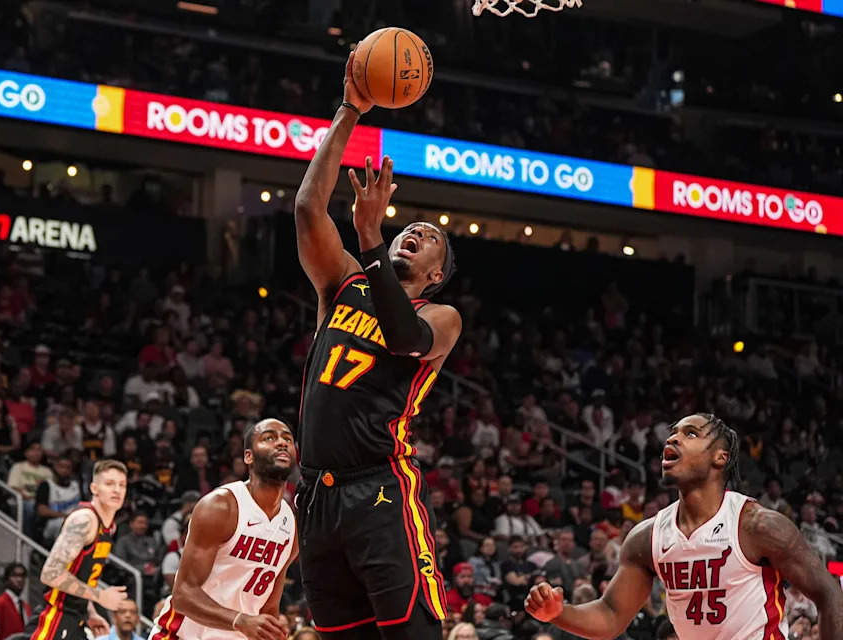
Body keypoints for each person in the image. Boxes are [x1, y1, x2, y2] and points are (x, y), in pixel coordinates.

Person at [292, 51, 462, 640]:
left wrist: (371, 240)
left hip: (381, 488)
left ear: (435, 274)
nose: (415, 231)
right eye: (410, 227)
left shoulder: (439, 316)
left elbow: (404, 339)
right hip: (315, 494)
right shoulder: (342, 281)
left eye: (430, 237)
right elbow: (308, 208)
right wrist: (350, 109)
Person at [524, 413, 843, 639]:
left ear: (720, 457)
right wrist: (558, 613)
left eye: (691, 434)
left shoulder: (757, 525)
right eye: (673, 432)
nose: (673, 437)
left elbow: (829, 594)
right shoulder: (646, 537)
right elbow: (610, 615)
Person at [148, 418, 298, 640]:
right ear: (248, 456)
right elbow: (183, 595)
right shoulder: (220, 506)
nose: (282, 443)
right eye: (269, 438)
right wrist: (239, 620)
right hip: (182, 635)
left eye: (287, 439)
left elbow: (268, 607)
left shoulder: (291, 526)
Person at [31, 459, 129, 640]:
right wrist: (100, 596)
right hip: (54, 617)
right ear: (94, 489)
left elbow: (82, 577)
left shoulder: (109, 527)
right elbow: (50, 574)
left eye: (122, 485)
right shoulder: (84, 520)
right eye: (109, 484)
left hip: (77, 619)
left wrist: (90, 612)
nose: (117, 489)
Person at [0, 563, 31, 639]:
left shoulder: (25, 607)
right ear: (7, 579)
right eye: (15, 576)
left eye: (22, 576)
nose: (20, 579)